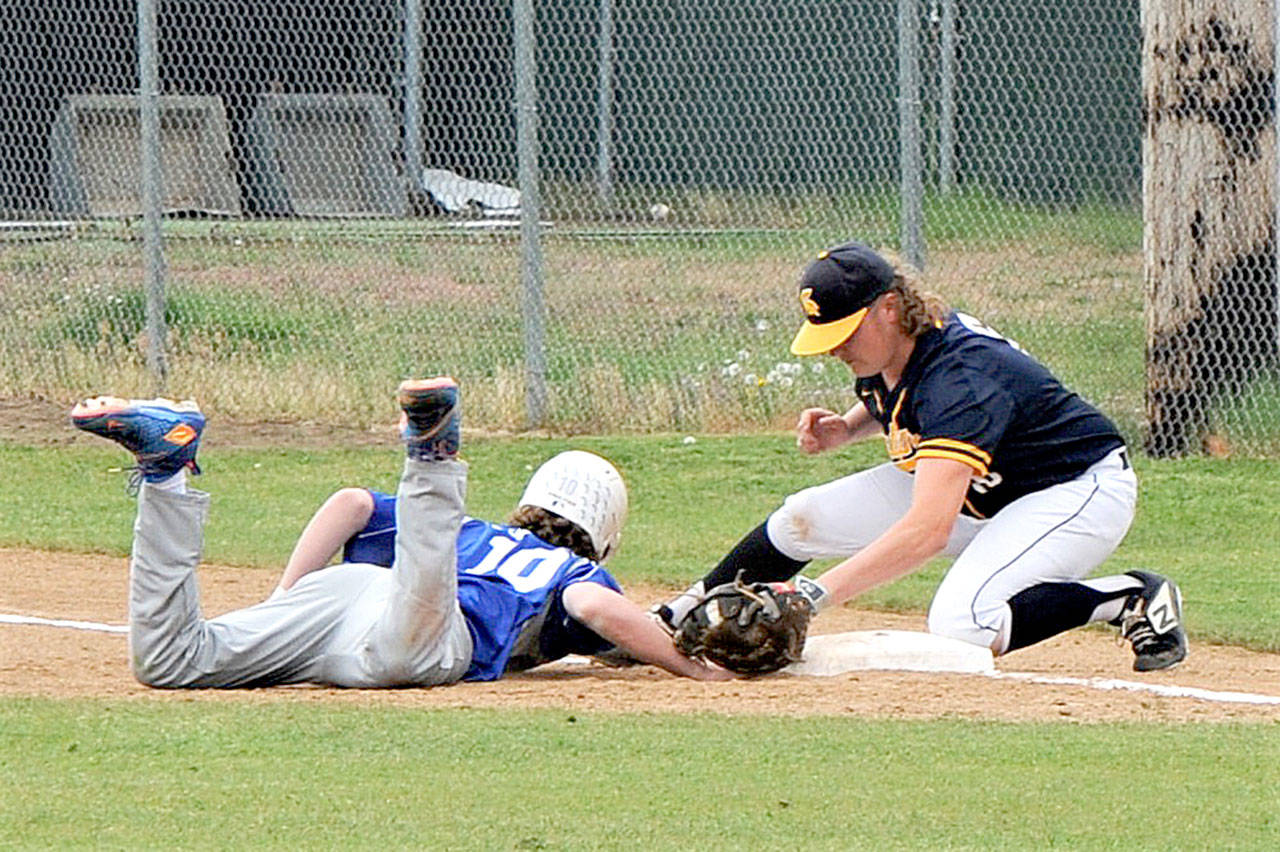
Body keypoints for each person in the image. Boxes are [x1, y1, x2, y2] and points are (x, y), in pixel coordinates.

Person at [657, 242, 1188, 672]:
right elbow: (901, 393)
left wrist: (810, 596)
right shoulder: (899, 339)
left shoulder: (962, 380)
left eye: (844, 332)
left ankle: (1129, 597)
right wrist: (849, 427)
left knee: (963, 624)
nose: (835, 348)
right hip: (983, 488)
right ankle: (676, 618)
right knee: (801, 519)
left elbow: (927, 531)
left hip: (1072, 493)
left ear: (889, 307)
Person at [72, 377, 729, 688]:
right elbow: (594, 609)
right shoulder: (574, 572)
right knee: (412, 644)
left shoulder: (477, 532)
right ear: (605, 533)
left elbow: (351, 503)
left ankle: (165, 473)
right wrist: (688, 666)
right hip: (426, 626)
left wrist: (286, 596)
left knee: (170, 662)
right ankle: (430, 458)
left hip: (343, 596)